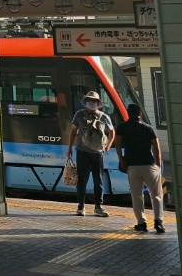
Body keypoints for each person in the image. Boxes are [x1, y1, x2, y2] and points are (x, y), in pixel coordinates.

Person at [114, 103, 165, 233]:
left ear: (128, 113)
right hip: (149, 165)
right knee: (156, 195)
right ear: (140, 114)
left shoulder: (122, 127)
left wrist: (121, 160)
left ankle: (141, 223)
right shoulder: (148, 128)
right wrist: (158, 165)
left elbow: (117, 144)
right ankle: (158, 222)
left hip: (132, 166)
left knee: (137, 196)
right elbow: (156, 147)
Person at [65, 90, 115, 217]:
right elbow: (73, 131)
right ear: (86, 102)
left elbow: (112, 131)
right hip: (82, 151)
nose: (92, 103)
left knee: (98, 180)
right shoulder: (79, 114)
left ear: (98, 103)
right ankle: (81, 206)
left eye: (94, 101)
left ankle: (98, 206)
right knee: (82, 180)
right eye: (89, 101)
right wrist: (69, 148)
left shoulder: (104, 116)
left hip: (97, 153)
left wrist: (108, 146)